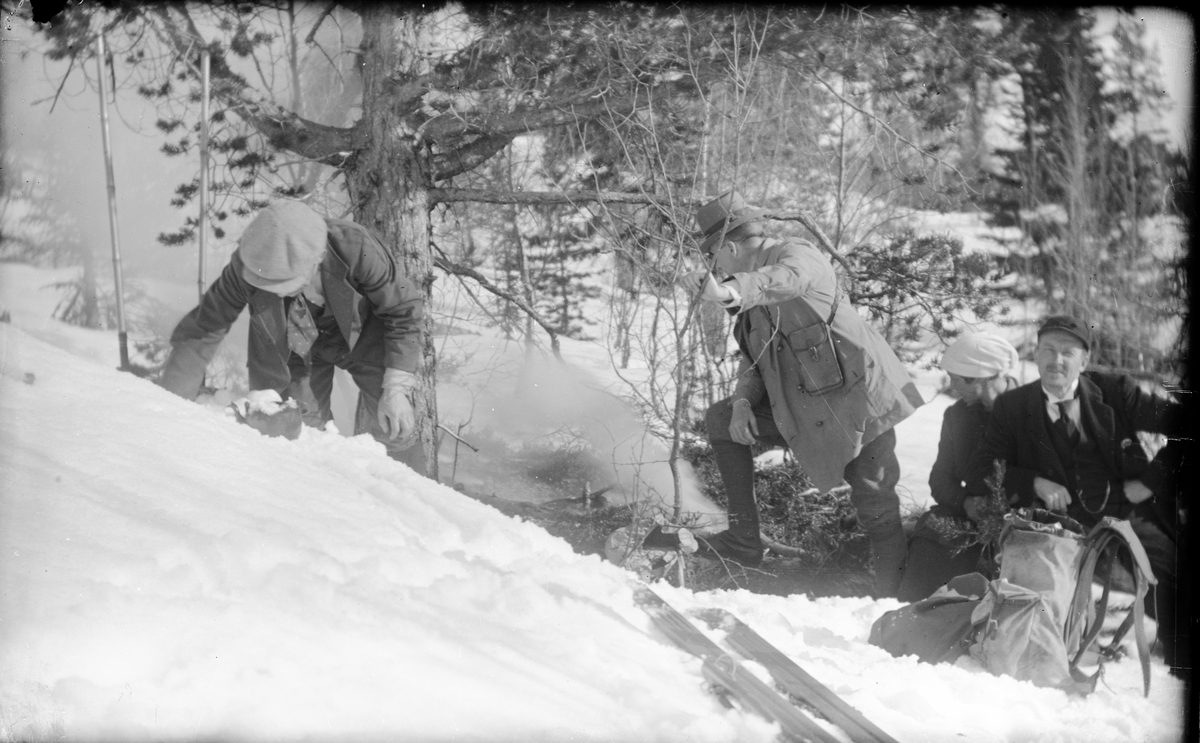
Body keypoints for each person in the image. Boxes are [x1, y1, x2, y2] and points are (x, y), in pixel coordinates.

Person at [678, 191, 925, 598]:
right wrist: (742, 402)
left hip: (861, 404)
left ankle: (890, 603)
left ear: (731, 248)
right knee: (722, 419)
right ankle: (743, 544)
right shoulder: (747, 294)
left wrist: (729, 292)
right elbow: (754, 359)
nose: (715, 268)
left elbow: (788, 279)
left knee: (877, 506)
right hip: (808, 410)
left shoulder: (796, 254)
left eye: (714, 257)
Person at [966, 315, 1185, 674]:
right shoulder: (1013, 406)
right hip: (1059, 527)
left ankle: (1181, 672)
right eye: (1048, 351)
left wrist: (1151, 481)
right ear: (1035, 357)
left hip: (1126, 513)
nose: (1057, 361)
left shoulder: (1117, 392)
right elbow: (980, 470)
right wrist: (1034, 482)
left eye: (1068, 353)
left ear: (1084, 361)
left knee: (1174, 572)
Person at [159, 200, 428, 473]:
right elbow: (203, 329)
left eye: (284, 285)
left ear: (316, 261)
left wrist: (396, 389)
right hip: (294, 352)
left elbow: (403, 310)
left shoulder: (355, 247)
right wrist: (169, 408)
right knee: (301, 434)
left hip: (364, 341)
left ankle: (414, 498)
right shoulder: (249, 262)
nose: (275, 293)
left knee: (395, 426)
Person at [895, 333, 1020, 602]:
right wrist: (966, 503)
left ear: (983, 377)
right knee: (931, 534)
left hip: (1018, 522)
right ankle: (913, 617)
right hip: (969, 519)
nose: (951, 386)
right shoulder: (957, 416)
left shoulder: (1031, 410)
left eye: (958, 378)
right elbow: (940, 478)